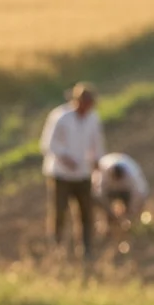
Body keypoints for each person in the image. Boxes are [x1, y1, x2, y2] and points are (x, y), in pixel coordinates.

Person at [40, 82, 105, 259]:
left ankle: (86, 249)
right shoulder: (60, 117)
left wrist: (97, 161)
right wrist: (65, 158)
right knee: (59, 212)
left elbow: (97, 143)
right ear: (77, 101)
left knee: (86, 213)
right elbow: (48, 144)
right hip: (61, 174)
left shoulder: (93, 118)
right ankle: (57, 247)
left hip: (83, 174)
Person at [93, 152, 149, 229]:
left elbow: (138, 194)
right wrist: (109, 211)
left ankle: (131, 226)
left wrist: (130, 213)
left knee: (130, 212)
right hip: (109, 190)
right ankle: (109, 225)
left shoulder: (132, 176)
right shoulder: (103, 171)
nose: (117, 183)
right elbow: (100, 193)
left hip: (126, 191)